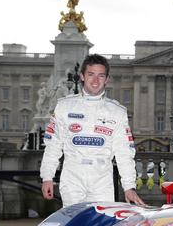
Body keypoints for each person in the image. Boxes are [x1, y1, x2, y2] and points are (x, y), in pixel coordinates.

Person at [40, 54, 145, 207]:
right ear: (82, 76)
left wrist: (129, 187)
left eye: (101, 76)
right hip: (72, 177)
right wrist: (47, 177)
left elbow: (124, 152)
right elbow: (53, 146)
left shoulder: (117, 112)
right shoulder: (64, 106)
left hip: (102, 179)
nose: (96, 80)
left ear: (107, 79)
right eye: (91, 74)